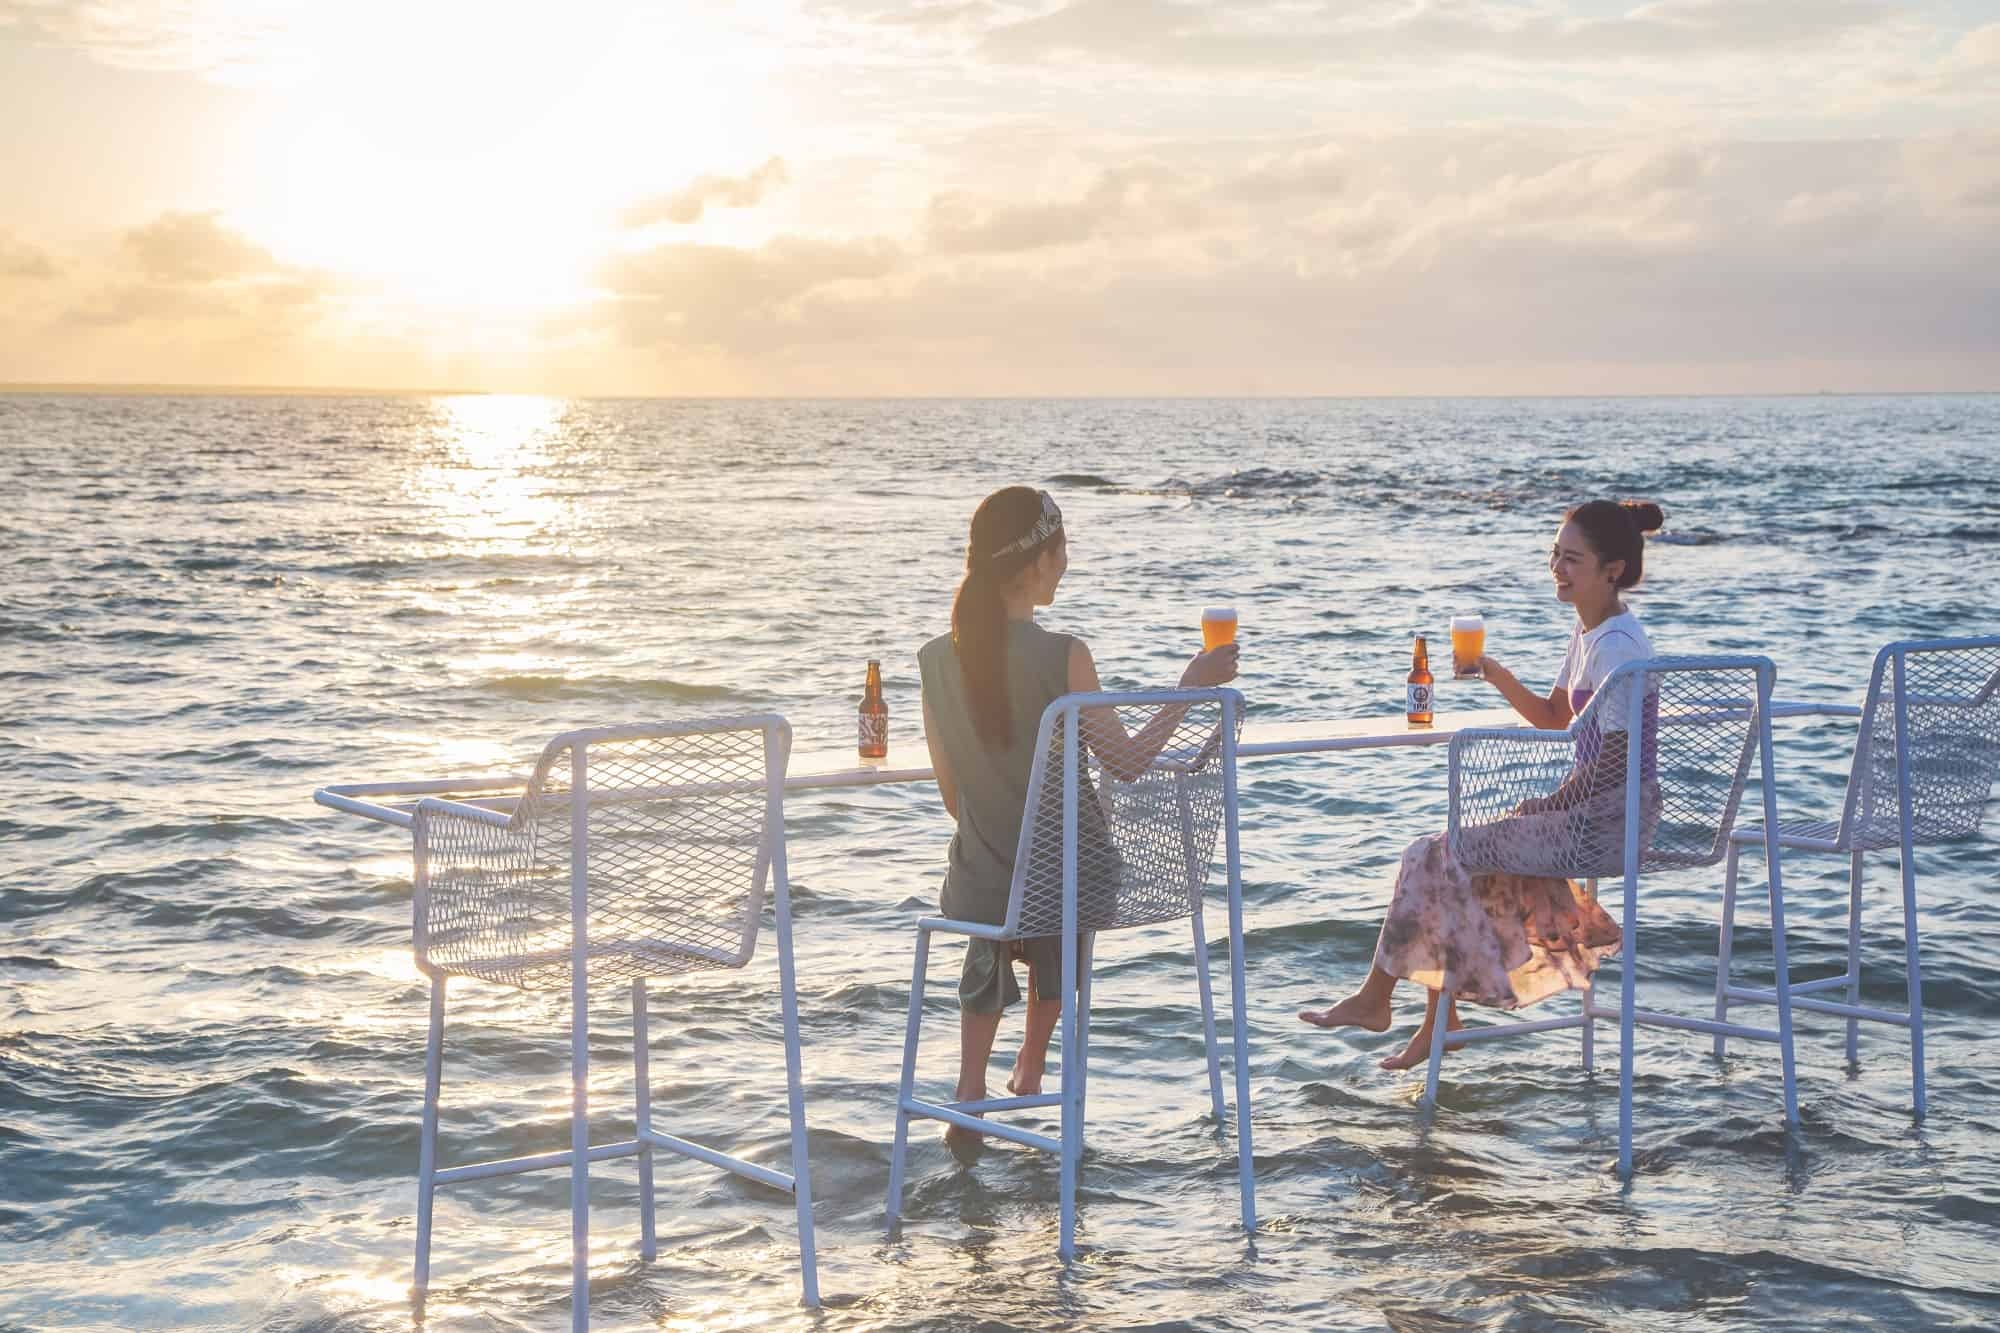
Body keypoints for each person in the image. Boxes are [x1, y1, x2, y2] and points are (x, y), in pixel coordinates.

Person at [919, 486, 1239, 1144]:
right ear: (1035, 563)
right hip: (1069, 887)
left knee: (1004, 885)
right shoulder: (1063, 653)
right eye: (1062, 550)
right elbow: (1125, 761)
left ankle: (970, 1084)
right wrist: (1186, 689)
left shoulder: (935, 663)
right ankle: (1034, 1056)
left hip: (978, 886)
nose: (1066, 563)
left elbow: (956, 799)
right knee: (1067, 875)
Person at [1299, 499, 1666, 1070]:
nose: (1558, 569)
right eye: (1555, 555)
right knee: (1443, 854)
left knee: (1436, 851)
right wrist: (1493, 672)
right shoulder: (1590, 634)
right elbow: (1553, 718)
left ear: (1612, 569)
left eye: (1572, 559)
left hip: (1610, 818)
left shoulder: (1617, 645)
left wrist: (1548, 802)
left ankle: (1392, 1004)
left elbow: (1616, 763)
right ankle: (1430, 1017)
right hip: (1595, 810)